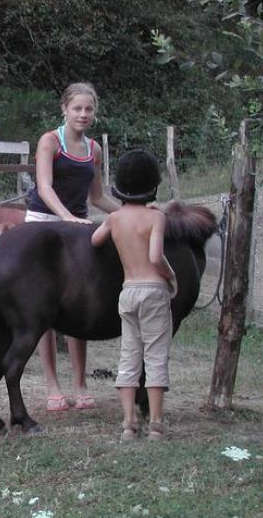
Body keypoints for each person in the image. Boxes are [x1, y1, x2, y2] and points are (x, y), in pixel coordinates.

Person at [25, 82, 120, 411]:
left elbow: (97, 197)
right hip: (43, 224)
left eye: (88, 109)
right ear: (64, 109)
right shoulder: (50, 141)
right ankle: (52, 386)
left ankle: (80, 383)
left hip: (77, 226)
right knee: (45, 310)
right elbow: (44, 186)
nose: (83, 114)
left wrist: (131, 213)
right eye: (77, 108)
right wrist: (66, 218)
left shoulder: (94, 149)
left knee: (82, 304)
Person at [91, 149, 176, 440]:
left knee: (129, 356)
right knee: (155, 356)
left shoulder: (115, 218)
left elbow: (95, 238)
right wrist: (170, 275)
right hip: (153, 290)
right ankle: (155, 423)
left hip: (127, 293)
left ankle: (128, 423)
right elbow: (155, 256)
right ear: (153, 185)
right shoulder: (157, 217)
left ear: (119, 186)